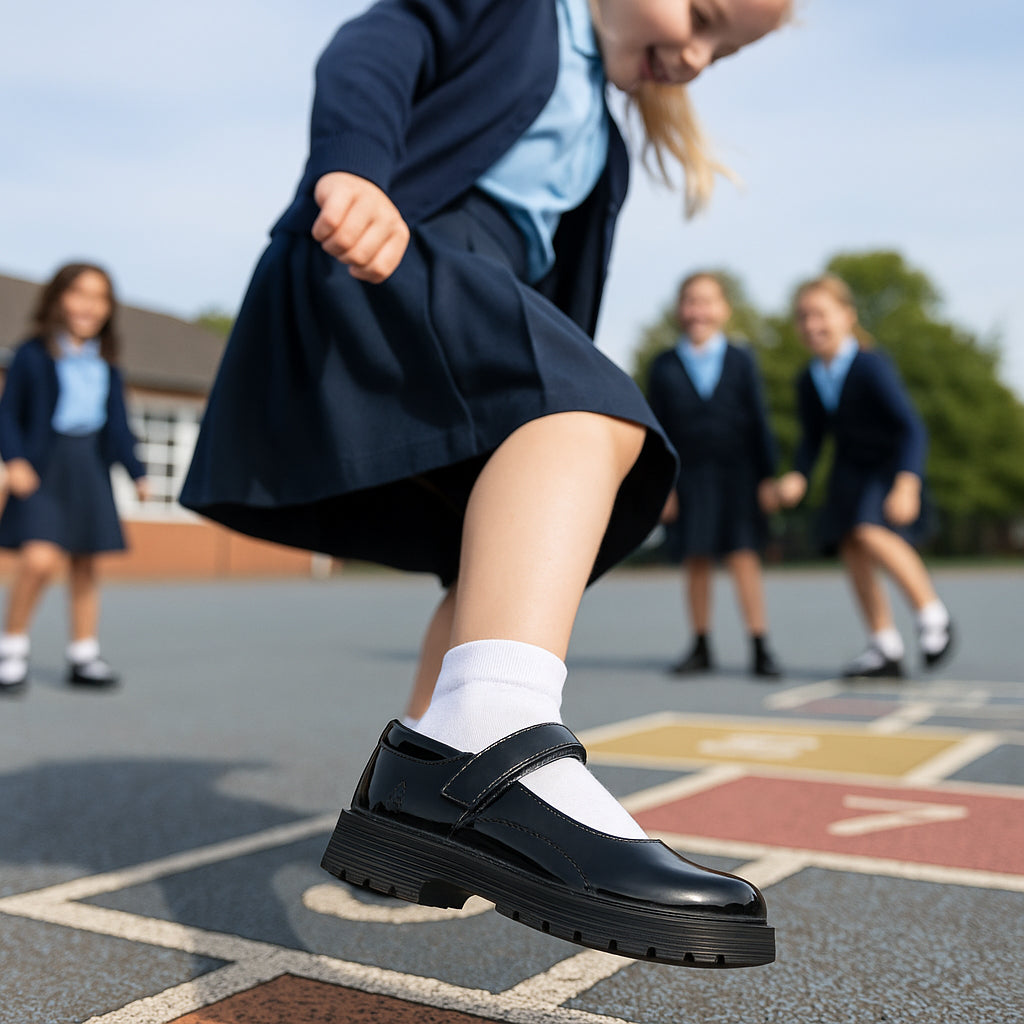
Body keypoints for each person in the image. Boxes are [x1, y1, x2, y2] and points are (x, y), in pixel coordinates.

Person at [181, 0, 791, 967]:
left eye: (726, 49)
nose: (698, 55)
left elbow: (561, 305)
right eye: (705, 16)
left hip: (474, 305)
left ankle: (420, 791)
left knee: (496, 572)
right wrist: (352, 168)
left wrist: (563, 452)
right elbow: (375, 45)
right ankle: (489, 736)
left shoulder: (611, 143)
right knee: (600, 409)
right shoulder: (516, 10)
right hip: (384, 253)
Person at [776, 274, 953, 678]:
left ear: (847, 316)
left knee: (871, 531)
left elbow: (911, 427)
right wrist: (799, 475)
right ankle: (883, 646)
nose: (812, 324)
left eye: (821, 314)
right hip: (848, 471)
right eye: (803, 316)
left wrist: (907, 482)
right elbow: (813, 437)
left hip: (887, 467)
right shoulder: (809, 379)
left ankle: (933, 616)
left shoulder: (871, 365)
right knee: (852, 547)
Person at [0, 263, 149, 694]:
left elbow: (118, 426)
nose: (89, 305)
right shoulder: (32, 353)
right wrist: (15, 460)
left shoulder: (108, 364)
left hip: (89, 466)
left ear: (109, 308)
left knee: (85, 563)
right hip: (45, 464)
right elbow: (7, 413)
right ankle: (11, 650)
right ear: (58, 299)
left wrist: (137, 471)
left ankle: (83, 655)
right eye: (79, 293)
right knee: (39, 561)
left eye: (100, 297)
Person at [648, 272, 782, 679]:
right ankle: (701, 644)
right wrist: (664, 487)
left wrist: (768, 477)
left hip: (738, 475)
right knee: (697, 557)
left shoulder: (742, 359)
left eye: (707, 302)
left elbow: (759, 421)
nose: (698, 310)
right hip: (690, 477)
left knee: (743, 556)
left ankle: (759, 645)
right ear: (679, 309)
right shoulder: (664, 365)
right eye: (690, 301)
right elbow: (656, 428)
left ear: (723, 309)